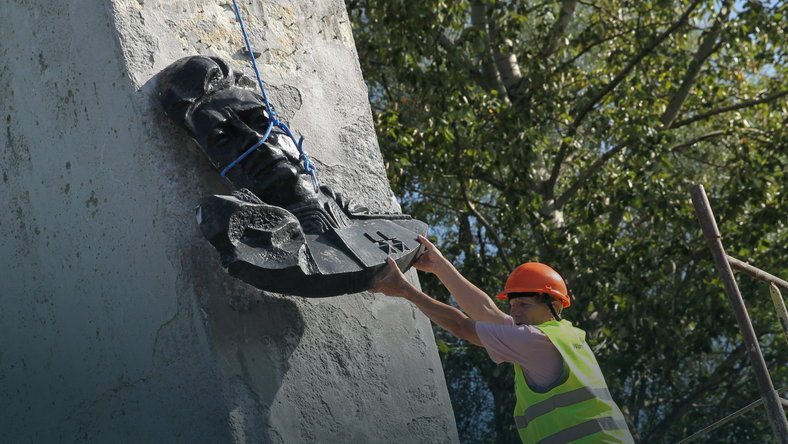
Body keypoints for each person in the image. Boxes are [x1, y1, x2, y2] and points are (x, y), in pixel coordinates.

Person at [373, 236, 635, 443]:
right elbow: (487, 312)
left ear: (554, 304)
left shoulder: (535, 341)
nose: (514, 310)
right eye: (512, 304)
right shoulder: (562, 335)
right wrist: (440, 266)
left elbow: (461, 326)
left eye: (523, 304)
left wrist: (407, 291)